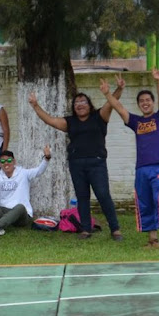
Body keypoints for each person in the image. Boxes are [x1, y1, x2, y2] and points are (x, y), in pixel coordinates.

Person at [28, 83, 125, 241]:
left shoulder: (99, 117)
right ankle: (86, 229)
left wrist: (119, 89)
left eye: (83, 102)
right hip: (76, 163)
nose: (80, 105)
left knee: (103, 195)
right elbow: (50, 120)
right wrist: (35, 105)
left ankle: (115, 229)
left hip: (97, 162)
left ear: (89, 105)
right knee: (82, 197)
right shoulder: (70, 121)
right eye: (76, 103)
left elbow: (111, 102)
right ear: (73, 107)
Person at [101, 70, 159, 249]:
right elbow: (118, 108)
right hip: (141, 168)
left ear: (153, 103)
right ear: (138, 105)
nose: (145, 103)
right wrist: (107, 93)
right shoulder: (136, 122)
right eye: (141, 101)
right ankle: (153, 241)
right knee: (145, 202)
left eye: (148, 100)